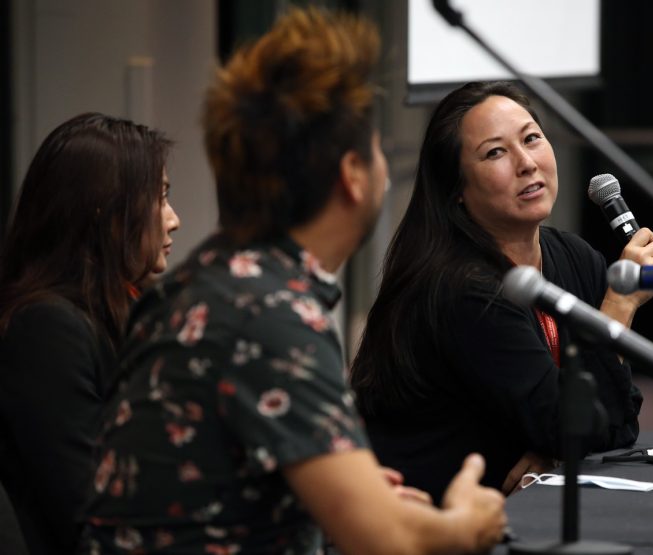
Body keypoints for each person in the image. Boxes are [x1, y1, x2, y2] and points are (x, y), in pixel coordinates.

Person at [79, 7, 507, 555]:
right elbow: (388, 543)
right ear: (352, 176)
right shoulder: (270, 314)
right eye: (375, 150)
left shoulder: (204, 283)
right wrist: (468, 522)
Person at [350, 81, 653, 504]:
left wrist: (552, 450)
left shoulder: (575, 257)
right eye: (495, 152)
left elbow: (617, 424)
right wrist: (620, 303)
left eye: (532, 138)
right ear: (457, 191)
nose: (526, 163)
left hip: (511, 510)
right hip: (425, 522)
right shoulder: (459, 289)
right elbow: (578, 424)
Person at [0, 112, 180, 555]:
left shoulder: (127, 312)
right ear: (105, 213)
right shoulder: (47, 327)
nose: (173, 219)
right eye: (158, 199)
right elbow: (90, 511)